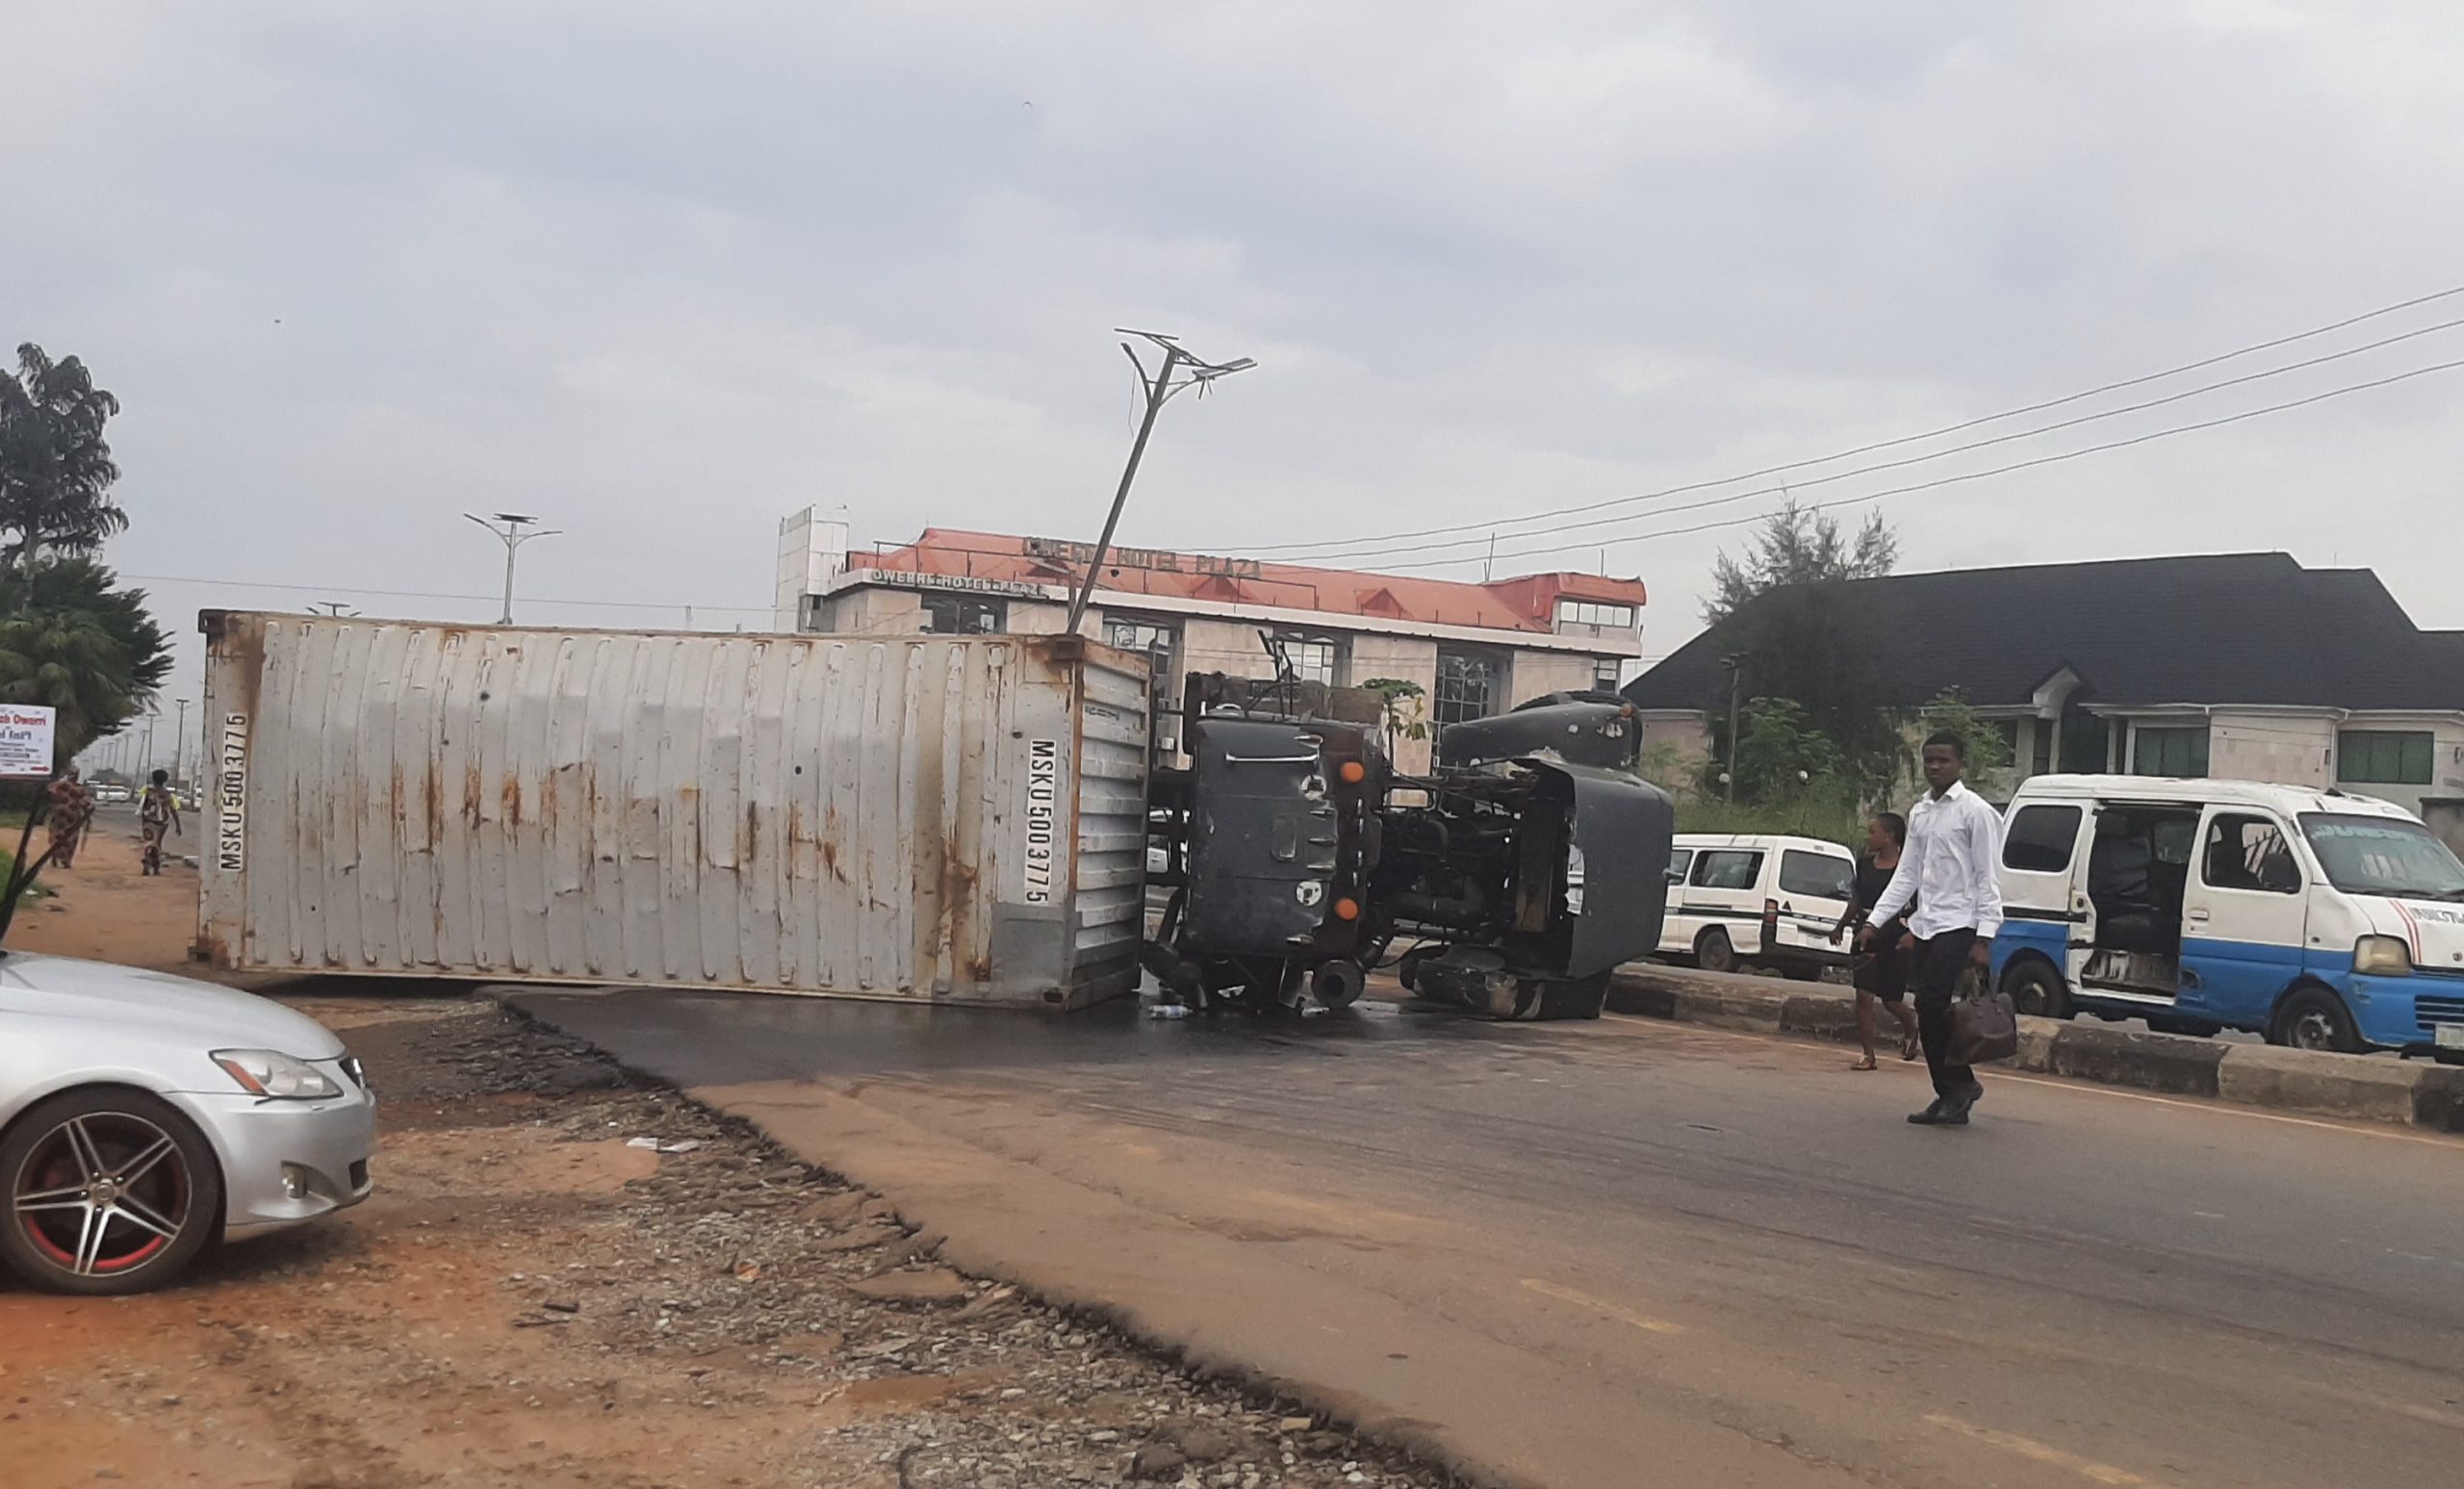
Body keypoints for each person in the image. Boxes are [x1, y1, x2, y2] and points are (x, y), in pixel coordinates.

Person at [1861, 732, 2005, 1126]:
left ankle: (1958, 1085)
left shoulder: (1975, 812)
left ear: (1960, 764)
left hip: (1961, 922)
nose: (1935, 767)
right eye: (1929, 760)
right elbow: (1907, 875)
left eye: (1943, 760)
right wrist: (1875, 921)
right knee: (1929, 1009)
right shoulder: (1921, 812)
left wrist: (1984, 937)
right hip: (1927, 922)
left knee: (1931, 1000)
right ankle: (1950, 1092)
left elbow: (1988, 877)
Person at [1833, 811, 1921, 1070]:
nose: (1869, 836)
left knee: (1892, 999)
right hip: (1866, 933)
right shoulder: (1864, 865)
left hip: (1895, 936)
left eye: (1874, 831)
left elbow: (1918, 907)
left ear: (1890, 836)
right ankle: (1868, 1055)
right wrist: (1841, 925)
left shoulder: (1908, 870)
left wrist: (1912, 933)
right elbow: (1857, 899)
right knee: (1863, 995)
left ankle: (1911, 1026)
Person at [45, 766, 93, 870]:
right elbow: (86, 803)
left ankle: (55, 854)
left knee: (57, 834)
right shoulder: (80, 789)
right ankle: (65, 860)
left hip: (59, 814)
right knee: (70, 838)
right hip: (72, 816)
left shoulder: (60, 785)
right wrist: (87, 815)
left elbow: (49, 791)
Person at [140, 768, 182, 876]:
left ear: (153, 780)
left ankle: (147, 865)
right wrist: (178, 825)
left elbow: (141, 803)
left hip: (148, 821)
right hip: (163, 823)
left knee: (148, 842)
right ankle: (156, 867)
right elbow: (174, 811)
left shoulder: (146, 790)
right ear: (165, 781)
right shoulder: (170, 795)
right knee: (157, 843)